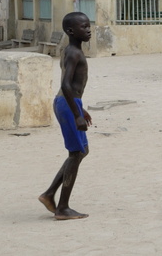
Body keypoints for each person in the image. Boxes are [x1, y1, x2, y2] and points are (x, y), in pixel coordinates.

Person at [38, 11, 93, 220]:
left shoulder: (73, 50)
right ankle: (62, 207)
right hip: (67, 104)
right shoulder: (73, 53)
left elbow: (71, 87)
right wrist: (76, 114)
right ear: (71, 31)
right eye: (84, 27)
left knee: (81, 151)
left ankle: (50, 194)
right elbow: (66, 84)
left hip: (69, 103)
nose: (88, 30)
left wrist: (81, 109)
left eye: (89, 26)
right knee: (76, 153)